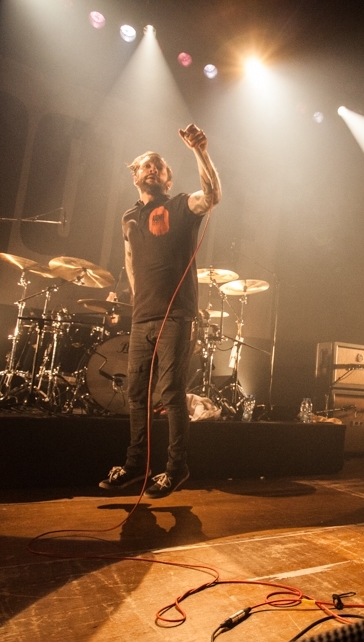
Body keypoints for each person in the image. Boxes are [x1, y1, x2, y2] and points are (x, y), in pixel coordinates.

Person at [99, 124, 221, 498]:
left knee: (171, 394)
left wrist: (200, 151)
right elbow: (131, 262)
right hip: (143, 317)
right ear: (135, 175)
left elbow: (213, 195)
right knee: (136, 394)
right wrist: (138, 305)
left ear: (167, 179)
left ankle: (176, 467)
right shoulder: (128, 218)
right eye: (145, 166)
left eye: (159, 166)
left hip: (176, 315)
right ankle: (136, 465)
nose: (152, 169)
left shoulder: (180, 205)